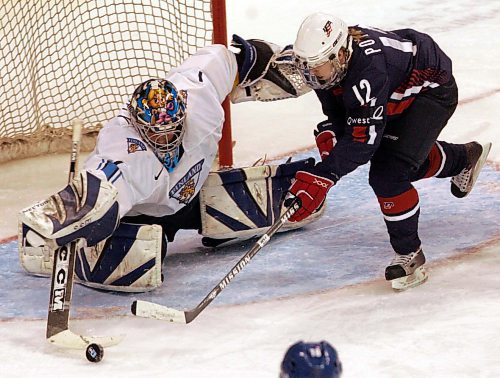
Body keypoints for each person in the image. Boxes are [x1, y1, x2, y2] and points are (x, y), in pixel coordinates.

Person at [18, 41, 311, 292]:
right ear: (137, 125)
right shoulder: (124, 150)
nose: (167, 138)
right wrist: (64, 220)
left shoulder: (199, 98)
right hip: (140, 214)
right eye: (156, 133)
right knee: (142, 257)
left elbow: (230, 59)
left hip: (186, 196)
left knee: (233, 198)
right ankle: (63, 252)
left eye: (172, 128)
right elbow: (96, 192)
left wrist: (302, 62)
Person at [281, 13, 492, 290]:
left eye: (318, 67)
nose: (311, 75)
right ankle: (463, 159)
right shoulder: (330, 66)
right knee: (400, 158)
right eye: (307, 67)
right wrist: (335, 132)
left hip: (429, 90)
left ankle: (409, 253)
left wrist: (325, 174)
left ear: (341, 54)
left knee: (389, 174)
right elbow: (343, 115)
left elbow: (362, 143)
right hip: (395, 88)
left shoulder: (368, 72)